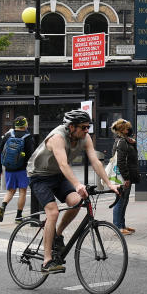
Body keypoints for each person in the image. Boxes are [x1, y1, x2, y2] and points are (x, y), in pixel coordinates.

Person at [26, 110, 118, 274]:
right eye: (83, 127)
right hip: (39, 176)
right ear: (71, 127)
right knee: (52, 213)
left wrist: (109, 183)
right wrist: (77, 184)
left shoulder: (85, 138)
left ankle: (57, 235)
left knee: (76, 202)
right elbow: (63, 164)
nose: (86, 131)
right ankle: (47, 260)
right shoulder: (57, 138)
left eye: (88, 127)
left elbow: (95, 161)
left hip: (58, 176)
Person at [0, 116, 36, 222]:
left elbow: (0, 152)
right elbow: (31, 155)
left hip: (9, 168)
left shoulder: (8, 135)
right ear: (25, 125)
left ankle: (3, 206)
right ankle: (18, 216)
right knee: (22, 192)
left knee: (10, 191)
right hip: (22, 169)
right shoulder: (28, 137)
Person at [110, 119, 140, 236]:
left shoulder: (125, 141)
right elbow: (121, 162)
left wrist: (132, 143)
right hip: (123, 177)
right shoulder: (121, 142)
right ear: (123, 130)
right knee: (120, 200)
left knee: (124, 200)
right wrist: (126, 178)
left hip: (127, 175)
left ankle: (122, 225)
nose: (130, 130)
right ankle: (117, 226)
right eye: (128, 128)